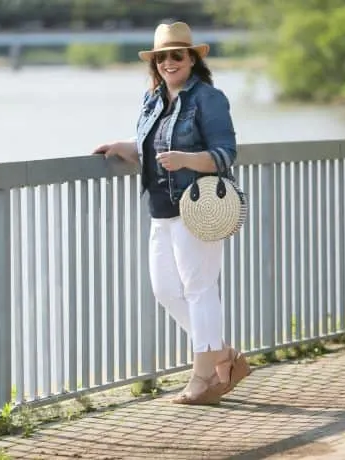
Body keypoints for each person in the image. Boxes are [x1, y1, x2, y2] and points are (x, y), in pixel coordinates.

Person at [93, 21, 250, 405]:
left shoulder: (208, 99)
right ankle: (225, 356)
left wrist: (187, 160)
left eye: (177, 55)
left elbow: (225, 153)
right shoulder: (153, 99)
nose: (168, 62)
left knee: (199, 289)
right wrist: (123, 146)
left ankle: (202, 378)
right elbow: (152, 145)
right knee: (165, 291)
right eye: (161, 57)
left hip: (197, 207)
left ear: (192, 59)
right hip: (160, 210)